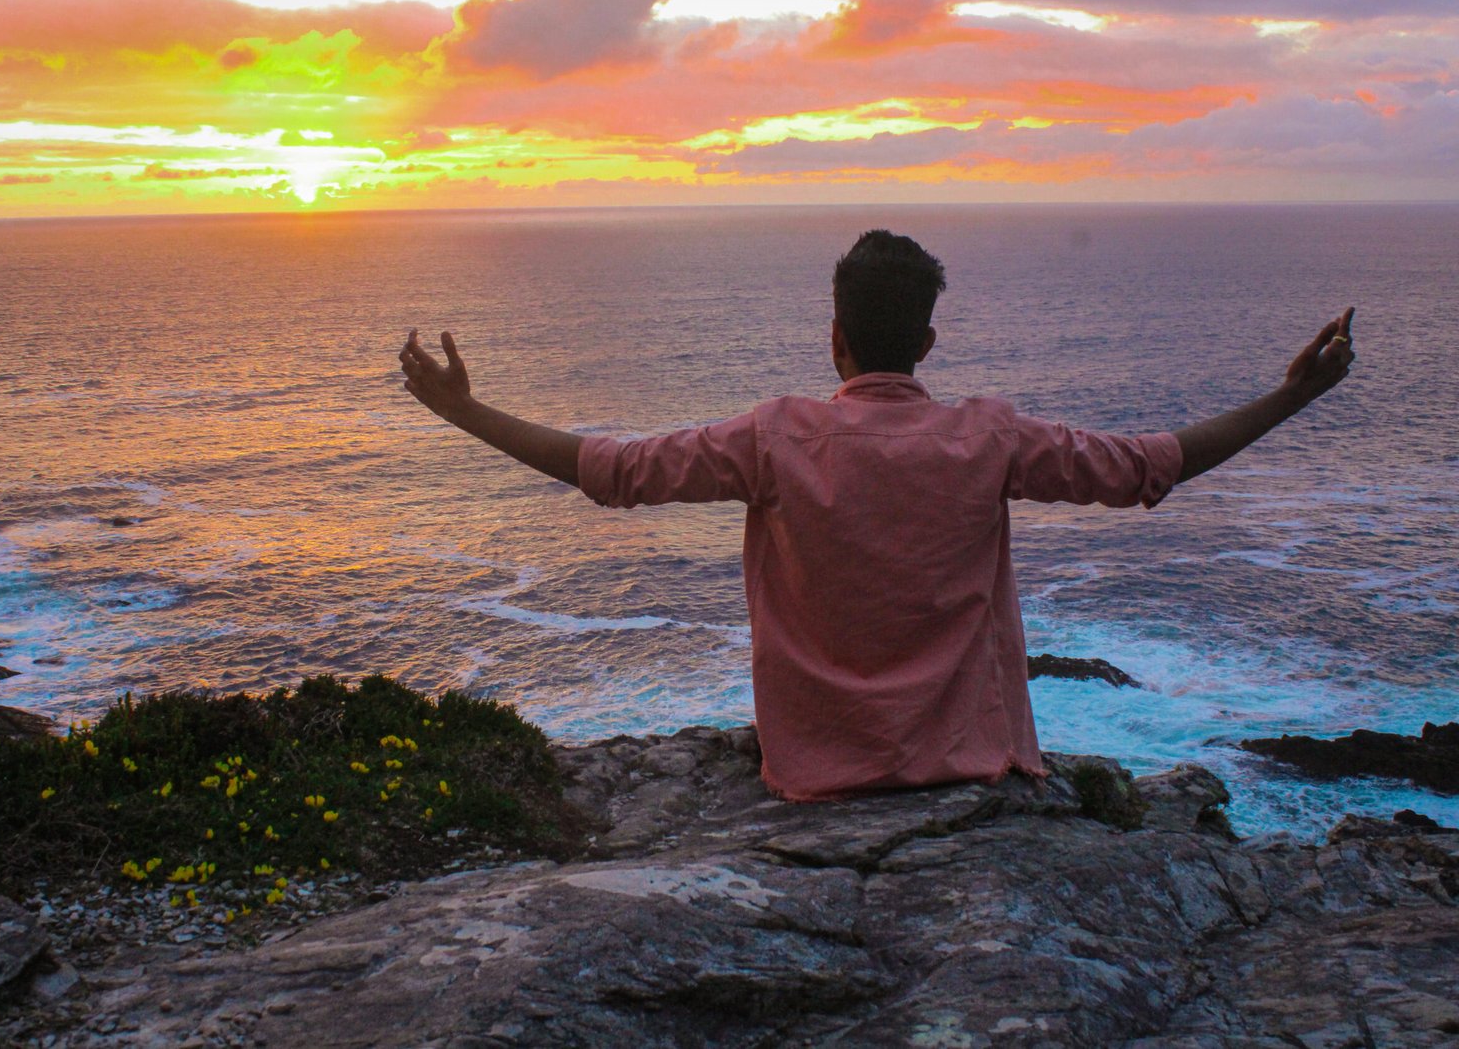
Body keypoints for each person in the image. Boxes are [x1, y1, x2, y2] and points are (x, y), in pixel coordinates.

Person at [397, 229, 1355, 802]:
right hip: (970, 771)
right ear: (929, 339)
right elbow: (1153, 467)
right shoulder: (989, 437)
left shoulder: (773, 438)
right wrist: (1294, 397)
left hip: (814, 777)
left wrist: (461, 410)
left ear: (835, 337)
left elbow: (611, 470)